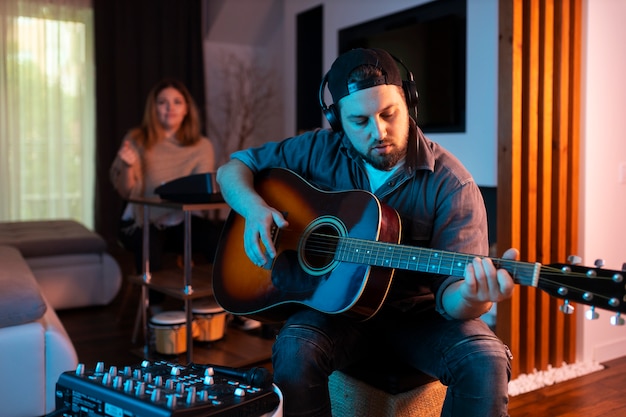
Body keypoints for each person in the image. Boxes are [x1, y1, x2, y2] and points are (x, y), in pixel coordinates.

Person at [216, 48, 518, 416]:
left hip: (419, 320)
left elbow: (455, 303)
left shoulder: (452, 183)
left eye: (389, 114)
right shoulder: (317, 149)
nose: (379, 131)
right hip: (336, 311)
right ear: (338, 122)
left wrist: (474, 296)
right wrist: (254, 209)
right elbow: (233, 168)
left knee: (485, 359)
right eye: (359, 121)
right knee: (294, 345)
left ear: (408, 102)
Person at [110, 78, 221, 282]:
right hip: (141, 221)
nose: (170, 108)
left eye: (177, 102)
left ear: (186, 109)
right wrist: (127, 166)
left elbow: (200, 192)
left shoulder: (202, 146)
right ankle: (155, 309)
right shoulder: (136, 139)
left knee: (218, 239)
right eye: (162, 102)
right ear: (154, 108)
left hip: (182, 220)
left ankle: (221, 304)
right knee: (148, 244)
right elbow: (126, 193)